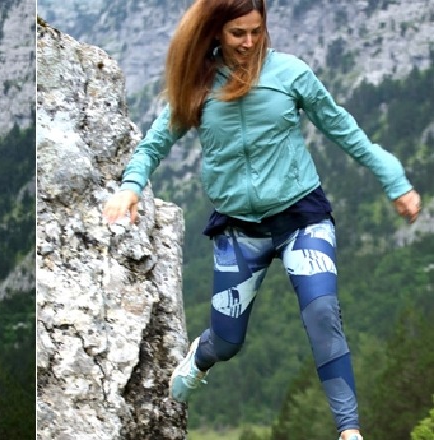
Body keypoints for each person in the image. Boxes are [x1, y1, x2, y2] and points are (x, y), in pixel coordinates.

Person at [102, 1, 421, 439]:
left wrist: (395, 180)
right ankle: (202, 356)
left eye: (256, 31)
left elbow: (344, 129)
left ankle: (349, 430)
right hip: (239, 232)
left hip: (302, 218)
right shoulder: (197, 85)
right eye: (237, 34)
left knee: (322, 310)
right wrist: (131, 186)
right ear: (216, 33)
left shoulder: (290, 73)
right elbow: (154, 144)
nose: (249, 43)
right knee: (228, 341)